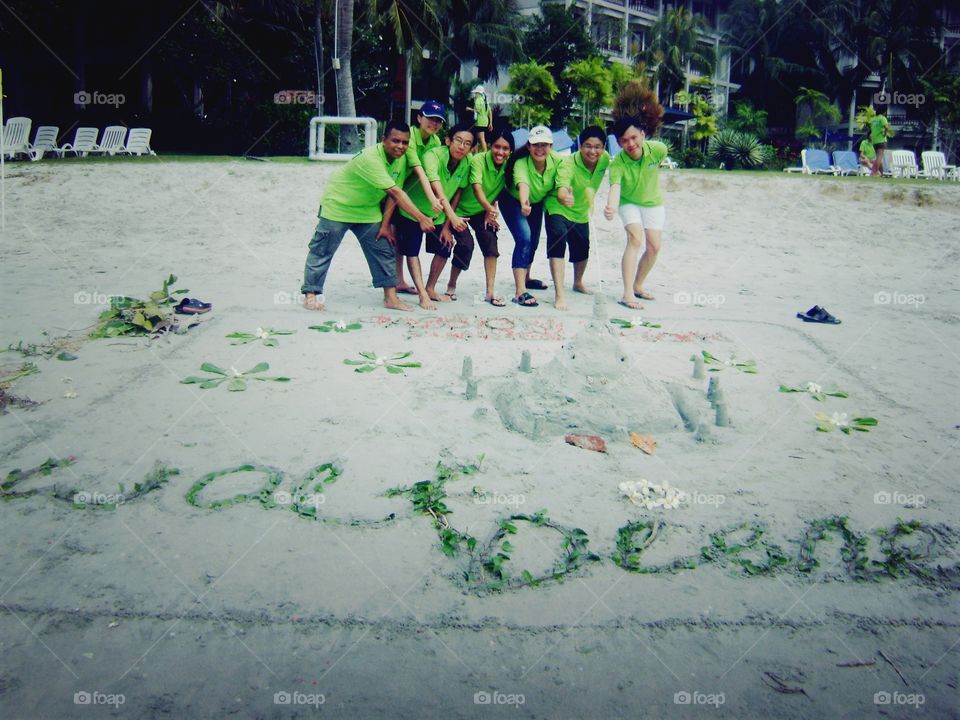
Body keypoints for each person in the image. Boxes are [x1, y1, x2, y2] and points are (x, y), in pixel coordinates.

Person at [301, 120, 435, 312]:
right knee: (322, 250)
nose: (400, 146)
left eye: (405, 142)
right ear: (383, 140)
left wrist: (385, 225)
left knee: (384, 246)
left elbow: (392, 194)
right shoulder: (372, 158)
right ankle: (311, 295)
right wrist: (422, 218)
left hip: (368, 210)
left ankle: (390, 297)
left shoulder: (402, 159)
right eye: (395, 141)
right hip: (339, 206)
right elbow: (397, 192)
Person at [382, 123, 475, 310]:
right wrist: (453, 217)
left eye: (467, 143)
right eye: (458, 140)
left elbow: (457, 193)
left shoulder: (467, 161)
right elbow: (435, 184)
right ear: (448, 141)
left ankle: (430, 288)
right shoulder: (432, 155)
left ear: (472, 148)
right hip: (412, 211)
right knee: (411, 251)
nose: (461, 146)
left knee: (445, 245)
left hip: (439, 215)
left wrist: (448, 225)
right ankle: (422, 294)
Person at [604, 103, 667, 311]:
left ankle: (638, 285)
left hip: (653, 202)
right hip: (628, 202)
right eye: (624, 141)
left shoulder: (658, 150)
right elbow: (615, 186)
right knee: (635, 239)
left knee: (654, 246)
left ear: (642, 134)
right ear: (619, 143)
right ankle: (627, 293)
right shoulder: (618, 164)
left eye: (633, 138)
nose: (630, 144)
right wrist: (611, 207)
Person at [442, 127, 515, 306]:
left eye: (505, 149)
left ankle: (490, 291)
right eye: (497, 147)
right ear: (490, 146)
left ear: (510, 151)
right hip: (460, 209)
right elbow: (476, 187)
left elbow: (500, 189)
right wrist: (449, 221)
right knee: (466, 245)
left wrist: (490, 211)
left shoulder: (509, 165)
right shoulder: (478, 160)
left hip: (482, 211)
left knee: (490, 240)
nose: (500, 152)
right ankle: (451, 285)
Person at [543, 126, 610, 310]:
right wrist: (565, 196)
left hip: (581, 211)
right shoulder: (568, 163)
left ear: (604, 147)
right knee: (558, 240)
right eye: (588, 146)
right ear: (580, 145)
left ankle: (578, 282)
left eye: (597, 147)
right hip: (558, 207)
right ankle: (559, 294)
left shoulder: (604, 160)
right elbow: (561, 188)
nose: (593, 151)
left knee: (582, 247)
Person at [500, 125, 562, 307]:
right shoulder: (520, 163)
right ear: (528, 146)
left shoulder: (558, 161)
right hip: (513, 201)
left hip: (537, 203)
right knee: (524, 238)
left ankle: (527, 277)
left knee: (534, 241)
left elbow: (563, 182)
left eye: (545, 145)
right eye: (536, 145)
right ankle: (520, 291)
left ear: (551, 146)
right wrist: (524, 202)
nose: (540, 149)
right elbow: (523, 183)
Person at [394, 101, 446, 295]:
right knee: (394, 236)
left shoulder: (436, 142)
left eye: (438, 120)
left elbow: (432, 173)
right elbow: (421, 171)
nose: (433, 123)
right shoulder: (409, 137)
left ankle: (400, 280)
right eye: (430, 118)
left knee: (402, 239)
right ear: (419, 118)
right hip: (395, 186)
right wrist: (434, 199)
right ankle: (397, 280)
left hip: (408, 191)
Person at [466, 85, 493, 152]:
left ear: (478, 93)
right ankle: (477, 152)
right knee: (477, 138)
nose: (475, 94)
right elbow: (490, 112)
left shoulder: (478, 100)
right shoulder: (485, 101)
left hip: (479, 122)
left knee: (481, 139)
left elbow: (477, 110)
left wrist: (469, 109)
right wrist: (491, 123)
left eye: (476, 93)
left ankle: (484, 153)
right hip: (485, 122)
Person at [869, 109, 892, 176]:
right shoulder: (883, 118)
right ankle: (873, 172)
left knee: (878, 157)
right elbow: (887, 127)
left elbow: (872, 129)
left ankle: (881, 174)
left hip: (875, 141)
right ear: (884, 112)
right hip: (881, 140)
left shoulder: (873, 120)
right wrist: (885, 134)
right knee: (879, 157)